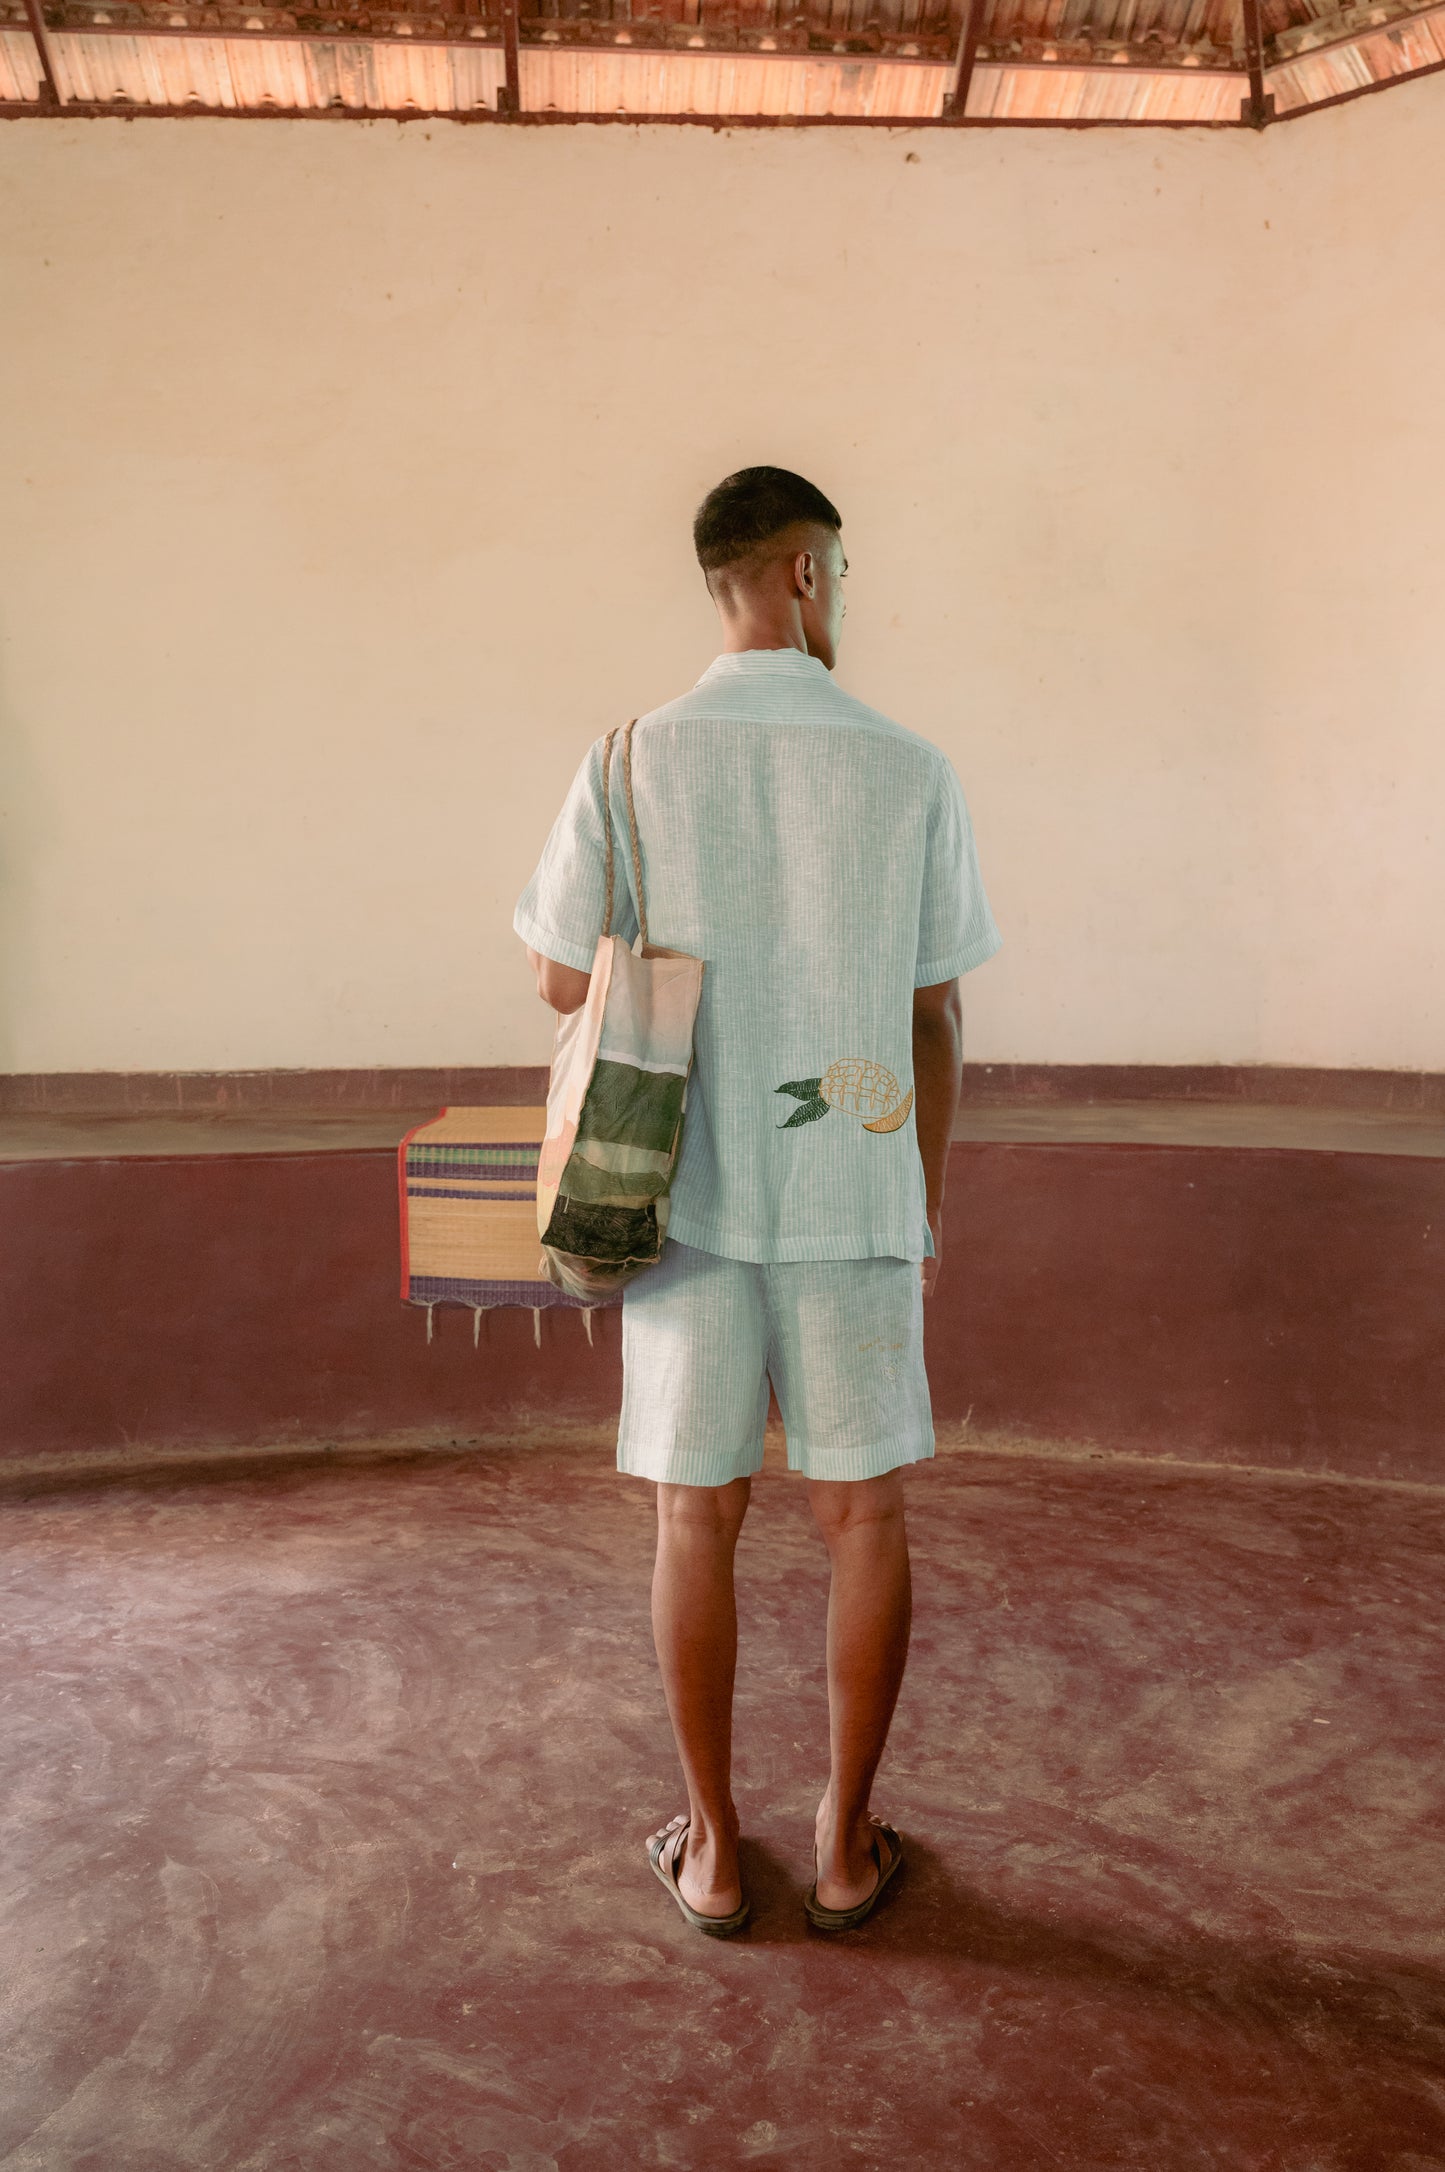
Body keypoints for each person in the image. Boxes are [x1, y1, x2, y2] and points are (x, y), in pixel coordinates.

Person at [513, 467, 1001, 1936]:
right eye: (839, 571)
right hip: (850, 1190)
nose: (841, 596)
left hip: (684, 1197)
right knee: (862, 1517)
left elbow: (555, 975)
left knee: (692, 1516)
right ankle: (845, 1848)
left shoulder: (627, 760)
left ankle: (715, 1854)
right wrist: (917, 1202)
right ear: (800, 570)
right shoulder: (908, 766)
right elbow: (931, 1014)